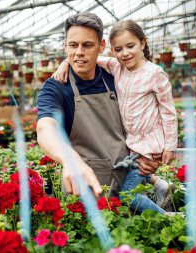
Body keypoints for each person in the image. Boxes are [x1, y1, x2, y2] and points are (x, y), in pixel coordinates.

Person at [37, 13, 165, 214]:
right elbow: (45, 128)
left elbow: (149, 109)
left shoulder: (117, 76)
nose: (79, 52)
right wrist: (70, 160)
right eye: (73, 45)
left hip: (128, 184)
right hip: (86, 195)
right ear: (65, 46)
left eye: (87, 45)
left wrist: (152, 151)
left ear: (102, 46)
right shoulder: (56, 88)